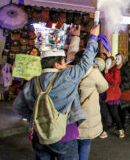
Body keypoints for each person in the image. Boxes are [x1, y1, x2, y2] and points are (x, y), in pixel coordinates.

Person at [13, 25, 100, 159]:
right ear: (57, 65)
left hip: (39, 134)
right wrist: (93, 37)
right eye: (64, 62)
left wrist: (35, 118)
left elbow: (18, 106)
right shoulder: (66, 77)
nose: (66, 65)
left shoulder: (32, 82)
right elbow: (86, 62)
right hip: (64, 134)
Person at [71, 50, 109, 160]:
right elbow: (104, 87)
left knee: (74, 142)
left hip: (73, 111)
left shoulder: (71, 71)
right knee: (85, 143)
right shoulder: (93, 72)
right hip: (88, 112)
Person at [104, 56, 124, 138]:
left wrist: (106, 74)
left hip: (112, 96)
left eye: (109, 62)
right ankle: (104, 130)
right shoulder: (107, 70)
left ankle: (120, 129)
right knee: (104, 114)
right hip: (104, 95)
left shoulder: (116, 71)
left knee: (114, 114)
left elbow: (115, 82)